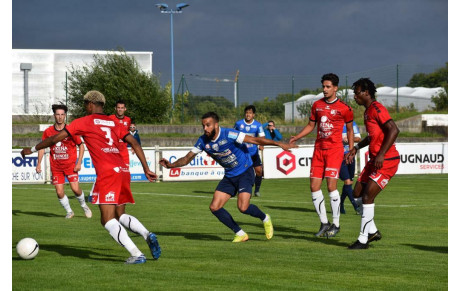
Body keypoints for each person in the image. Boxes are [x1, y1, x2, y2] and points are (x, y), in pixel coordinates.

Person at [21, 91, 161, 264]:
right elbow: (134, 142)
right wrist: (146, 168)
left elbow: (55, 138)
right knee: (119, 214)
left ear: (90, 104)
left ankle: (136, 253)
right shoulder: (113, 122)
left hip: (107, 173)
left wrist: (32, 150)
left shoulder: (83, 122)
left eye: (84, 104)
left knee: (107, 219)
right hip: (123, 171)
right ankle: (147, 234)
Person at [159, 112, 297, 242]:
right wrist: (171, 165)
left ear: (216, 125)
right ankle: (240, 234)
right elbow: (187, 158)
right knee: (214, 207)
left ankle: (265, 218)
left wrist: (279, 143)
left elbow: (254, 139)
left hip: (245, 171)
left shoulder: (229, 134)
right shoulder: (202, 141)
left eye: (208, 125)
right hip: (230, 176)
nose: (205, 128)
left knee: (243, 207)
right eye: (203, 126)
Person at [290, 73, 354, 238]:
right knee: (313, 187)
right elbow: (311, 125)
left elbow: (350, 130)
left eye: (328, 87)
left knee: (331, 186)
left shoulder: (344, 108)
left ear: (335, 88)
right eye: (323, 87)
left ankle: (336, 224)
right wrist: (297, 137)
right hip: (319, 149)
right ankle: (324, 223)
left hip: (334, 150)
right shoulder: (317, 105)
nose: (325, 90)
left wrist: (352, 149)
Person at [345, 78, 400, 249]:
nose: (355, 96)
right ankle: (373, 231)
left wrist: (382, 154)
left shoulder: (377, 109)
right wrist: (356, 148)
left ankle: (363, 240)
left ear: (366, 92)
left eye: (357, 92)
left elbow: (394, 129)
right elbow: (372, 137)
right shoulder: (368, 111)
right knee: (357, 194)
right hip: (374, 159)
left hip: (386, 161)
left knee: (368, 197)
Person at [35, 104, 92, 219]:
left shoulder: (71, 130)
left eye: (62, 115)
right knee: (59, 192)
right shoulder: (48, 132)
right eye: (57, 114)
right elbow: (41, 147)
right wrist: (39, 163)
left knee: (76, 189)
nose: (60, 117)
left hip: (70, 165)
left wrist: (79, 162)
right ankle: (69, 211)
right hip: (56, 167)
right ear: (54, 116)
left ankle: (84, 206)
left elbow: (81, 146)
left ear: (65, 116)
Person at [234, 105, 265, 197]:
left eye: (250, 113)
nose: (248, 115)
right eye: (247, 113)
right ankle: (239, 189)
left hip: (253, 152)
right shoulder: (239, 124)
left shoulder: (258, 125)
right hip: (242, 153)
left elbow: (262, 137)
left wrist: (261, 144)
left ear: (253, 115)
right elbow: (232, 134)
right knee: (241, 172)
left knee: (259, 171)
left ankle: (257, 190)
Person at [339, 121, 361, 214]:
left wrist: (349, 138)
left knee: (349, 183)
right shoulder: (335, 123)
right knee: (347, 181)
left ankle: (341, 204)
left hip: (350, 155)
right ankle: (356, 207)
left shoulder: (352, 124)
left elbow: (358, 138)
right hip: (339, 156)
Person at [109, 100, 131, 166]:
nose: (120, 110)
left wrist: (132, 146)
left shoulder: (128, 119)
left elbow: (128, 133)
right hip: (113, 150)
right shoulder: (110, 118)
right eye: (118, 108)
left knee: (125, 172)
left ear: (125, 109)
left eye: (122, 108)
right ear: (115, 108)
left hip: (123, 150)